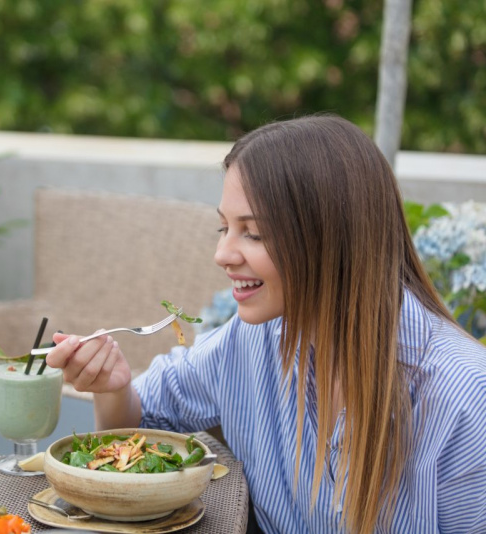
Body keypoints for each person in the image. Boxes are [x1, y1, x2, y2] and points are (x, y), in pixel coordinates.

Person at [45, 115, 486, 533]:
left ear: (327, 239)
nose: (223, 255)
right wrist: (114, 387)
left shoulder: (462, 399)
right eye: (224, 229)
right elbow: (141, 422)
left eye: (252, 233)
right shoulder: (251, 339)